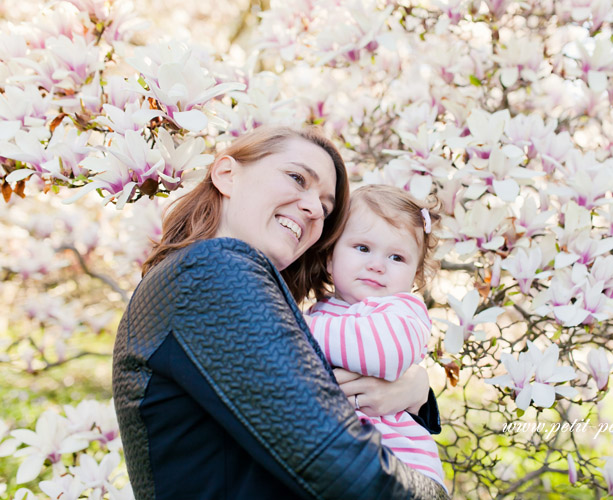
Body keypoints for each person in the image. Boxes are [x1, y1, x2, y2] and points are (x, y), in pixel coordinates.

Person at [112, 126, 449, 499]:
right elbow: (335, 461)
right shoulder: (213, 269)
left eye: (325, 207)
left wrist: (417, 393)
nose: (312, 208)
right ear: (227, 174)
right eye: (296, 177)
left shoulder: (204, 277)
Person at [306, 184, 446, 490]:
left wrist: (293, 327)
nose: (377, 265)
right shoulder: (321, 311)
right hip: (341, 463)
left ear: (416, 277)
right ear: (329, 258)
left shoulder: (403, 311)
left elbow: (380, 353)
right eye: (362, 248)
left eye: (397, 257)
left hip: (401, 467)